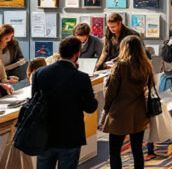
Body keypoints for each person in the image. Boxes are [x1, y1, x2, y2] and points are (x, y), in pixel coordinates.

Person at [32, 36, 99, 169]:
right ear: (77, 54)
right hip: (70, 134)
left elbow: (35, 101)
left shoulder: (39, 73)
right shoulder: (82, 78)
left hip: (45, 133)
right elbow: (90, 107)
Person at [103, 35, 153, 169]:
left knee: (114, 151)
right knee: (137, 150)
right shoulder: (146, 66)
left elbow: (111, 92)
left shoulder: (119, 66)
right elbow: (151, 87)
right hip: (139, 112)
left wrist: (106, 108)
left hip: (119, 112)